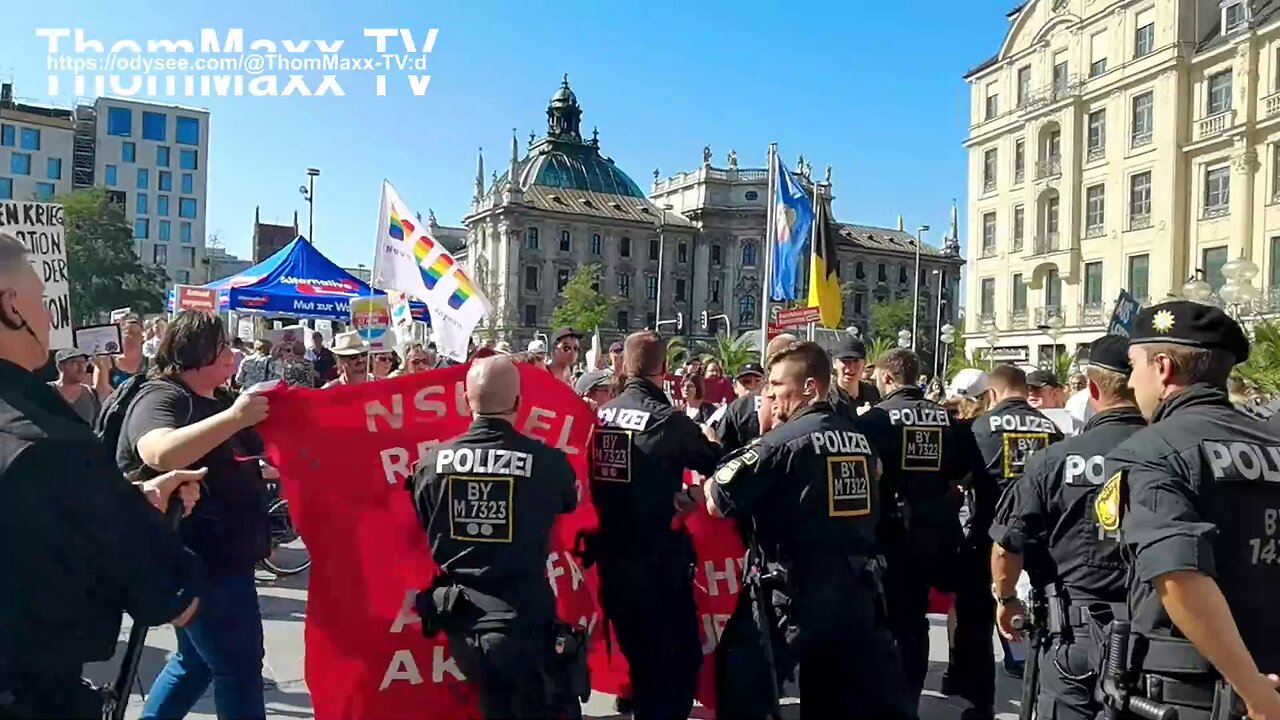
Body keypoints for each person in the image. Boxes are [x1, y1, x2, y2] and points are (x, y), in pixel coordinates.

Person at [0, 233, 204, 719]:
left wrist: (131, 496)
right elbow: (169, 593)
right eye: (44, 302)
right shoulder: (46, 439)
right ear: (12, 307)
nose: (52, 320)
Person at [703, 341, 917, 719]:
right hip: (856, 591)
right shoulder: (858, 440)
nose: (769, 393)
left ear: (809, 387)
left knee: (743, 688)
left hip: (794, 594)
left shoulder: (781, 443)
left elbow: (718, 498)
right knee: (832, 696)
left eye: (777, 386)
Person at [1102, 302, 1280, 720]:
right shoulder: (1272, 441)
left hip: (1197, 694)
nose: (1130, 382)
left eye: (1133, 366)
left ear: (1163, 368)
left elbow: (1179, 575)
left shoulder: (1150, 451)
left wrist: (1254, 692)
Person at [117, 311, 273, 720]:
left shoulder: (216, 398)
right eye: (221, 347)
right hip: (201, 562)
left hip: (224, 557)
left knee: (196, 663)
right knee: (237, 666)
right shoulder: (160, 397)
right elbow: (159, 451)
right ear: (195, 353)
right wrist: (234, 417)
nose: (230, 355)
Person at [408, 356, 579, 719]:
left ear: (465, 400)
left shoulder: (430, 464)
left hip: (462, 624)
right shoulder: (548, 462)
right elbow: (568, 502)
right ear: (519, 403)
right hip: (523, 621)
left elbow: (424, 519)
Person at [989, 335, 1145, 720]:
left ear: (1092, 388)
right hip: (1152, 638)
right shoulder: (1172, 455)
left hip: (1071, 639)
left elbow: (1008, 544)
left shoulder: (1054, 460)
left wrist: (1007, 600)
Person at [587, 331, 722, 720]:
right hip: (657, 566)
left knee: (642, 665)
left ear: (626, 366)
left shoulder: (599, 416)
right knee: (674, 669)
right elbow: (717, 463)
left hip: (612, 562)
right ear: (663, 370)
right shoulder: (668, 420)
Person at [858, 348, 976, 707]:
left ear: (889, 378)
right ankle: (909, 695)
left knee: (893, 620)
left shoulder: (876, 419)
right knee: (918, 621)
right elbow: (966, 471)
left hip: (893, 532)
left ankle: (892, 698)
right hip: (939, 531)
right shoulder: (945, 418)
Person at [957, 364, 1064, 708]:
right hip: (1043, 540)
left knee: (977, 627)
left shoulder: (979, 428)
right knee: (1053, 622)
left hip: (989, 536)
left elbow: (960, 481)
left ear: (992, 394)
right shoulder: (1052, 428)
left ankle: (979, 705)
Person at [714, 335, 798, 454]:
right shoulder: (740, 407)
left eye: (757, 380)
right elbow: (723, 449)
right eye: (745, 382)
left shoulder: (809, 403)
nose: (751, 386)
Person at [48, 348, 110, 424]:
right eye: (74, 363)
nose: (81, 368)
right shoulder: (46, 391)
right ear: (60, 367)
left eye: (84, 363)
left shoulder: (91, 395)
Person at [831, 336, 882, 413]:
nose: (850, 368)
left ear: (863, 363)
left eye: (855, 361)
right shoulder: (829, 397)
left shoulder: (872, 392)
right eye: (844, 361)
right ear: (834, 363)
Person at [109, 314, 148, 388]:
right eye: (129, 334)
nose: (134, 338)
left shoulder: (150, 364)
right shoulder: (109, 364)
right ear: (120, 336)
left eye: (138, 334)